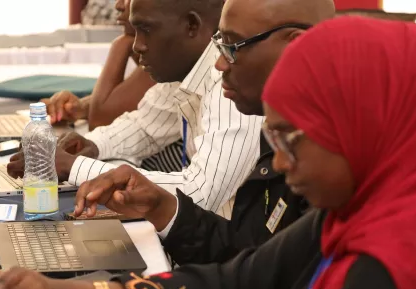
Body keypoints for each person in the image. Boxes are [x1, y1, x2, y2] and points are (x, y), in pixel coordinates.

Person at [0, 16, 416, 289]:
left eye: (290, 138)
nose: (277, 160)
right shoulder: (375, 199)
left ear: (363, 123)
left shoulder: (407, 259)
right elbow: (239, 288)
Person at [70, 0, 336, 264]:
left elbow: (259, 276)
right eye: (219, 42)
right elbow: (249, 257)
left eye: (232, 46)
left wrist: (74, 167)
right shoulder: (264, 113)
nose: (219, 63)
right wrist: (162, 207)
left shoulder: (239, 99)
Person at [8, 0, 265, 219]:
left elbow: (199, 193)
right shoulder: (186, 70)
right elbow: (143, 127)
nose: (137, 45)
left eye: (146, 30)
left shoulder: (228, 81)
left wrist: (73, 166)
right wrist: (89, 145)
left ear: (192, 26)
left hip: (230, 256)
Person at [44, 0, 185, 173]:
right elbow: (145, 121)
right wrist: (82, 108)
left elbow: (100, 119)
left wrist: (121, 45)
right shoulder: (170, 62)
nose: (118, 5)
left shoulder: (172, 58)